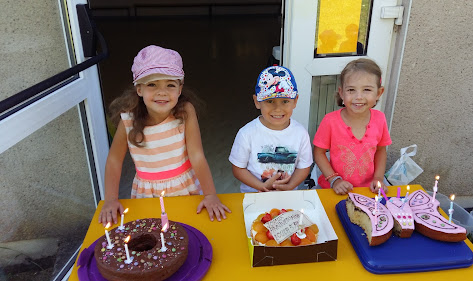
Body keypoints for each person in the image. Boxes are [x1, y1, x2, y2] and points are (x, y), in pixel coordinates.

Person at [98, 45, 231, 225]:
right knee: (155, 237)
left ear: (180, 88)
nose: (162, 92)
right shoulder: (128, 119)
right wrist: (111, 199)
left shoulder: (185, 112)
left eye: (170, 85)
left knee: (189, 231)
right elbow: (114, 160)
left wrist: (210, 194)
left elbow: (197, 155)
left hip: (185, 188)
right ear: (139, 89)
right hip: (147, 194)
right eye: (152, 84)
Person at [313, 58, 391, 195]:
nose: (358, 96)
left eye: (367, 89)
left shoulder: (380, 119)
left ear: (379, 93)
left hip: (368, 191)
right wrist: (334, 179)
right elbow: (318, 153)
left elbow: (381, 150)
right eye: (351, 90)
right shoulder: (330, 121)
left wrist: (378, 178)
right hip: (333, 189)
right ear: (342, 93)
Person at [229, 65, 313, 193]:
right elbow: (238, 169)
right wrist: (261, 186)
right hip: (255, 195)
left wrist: (290, 186)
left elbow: (304, 167)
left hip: (288, 195)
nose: (277, 109)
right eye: (270, 101)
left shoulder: (300, 133)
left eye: (285, 101)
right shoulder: (246, 134)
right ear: (257, 101)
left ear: (295, 101)